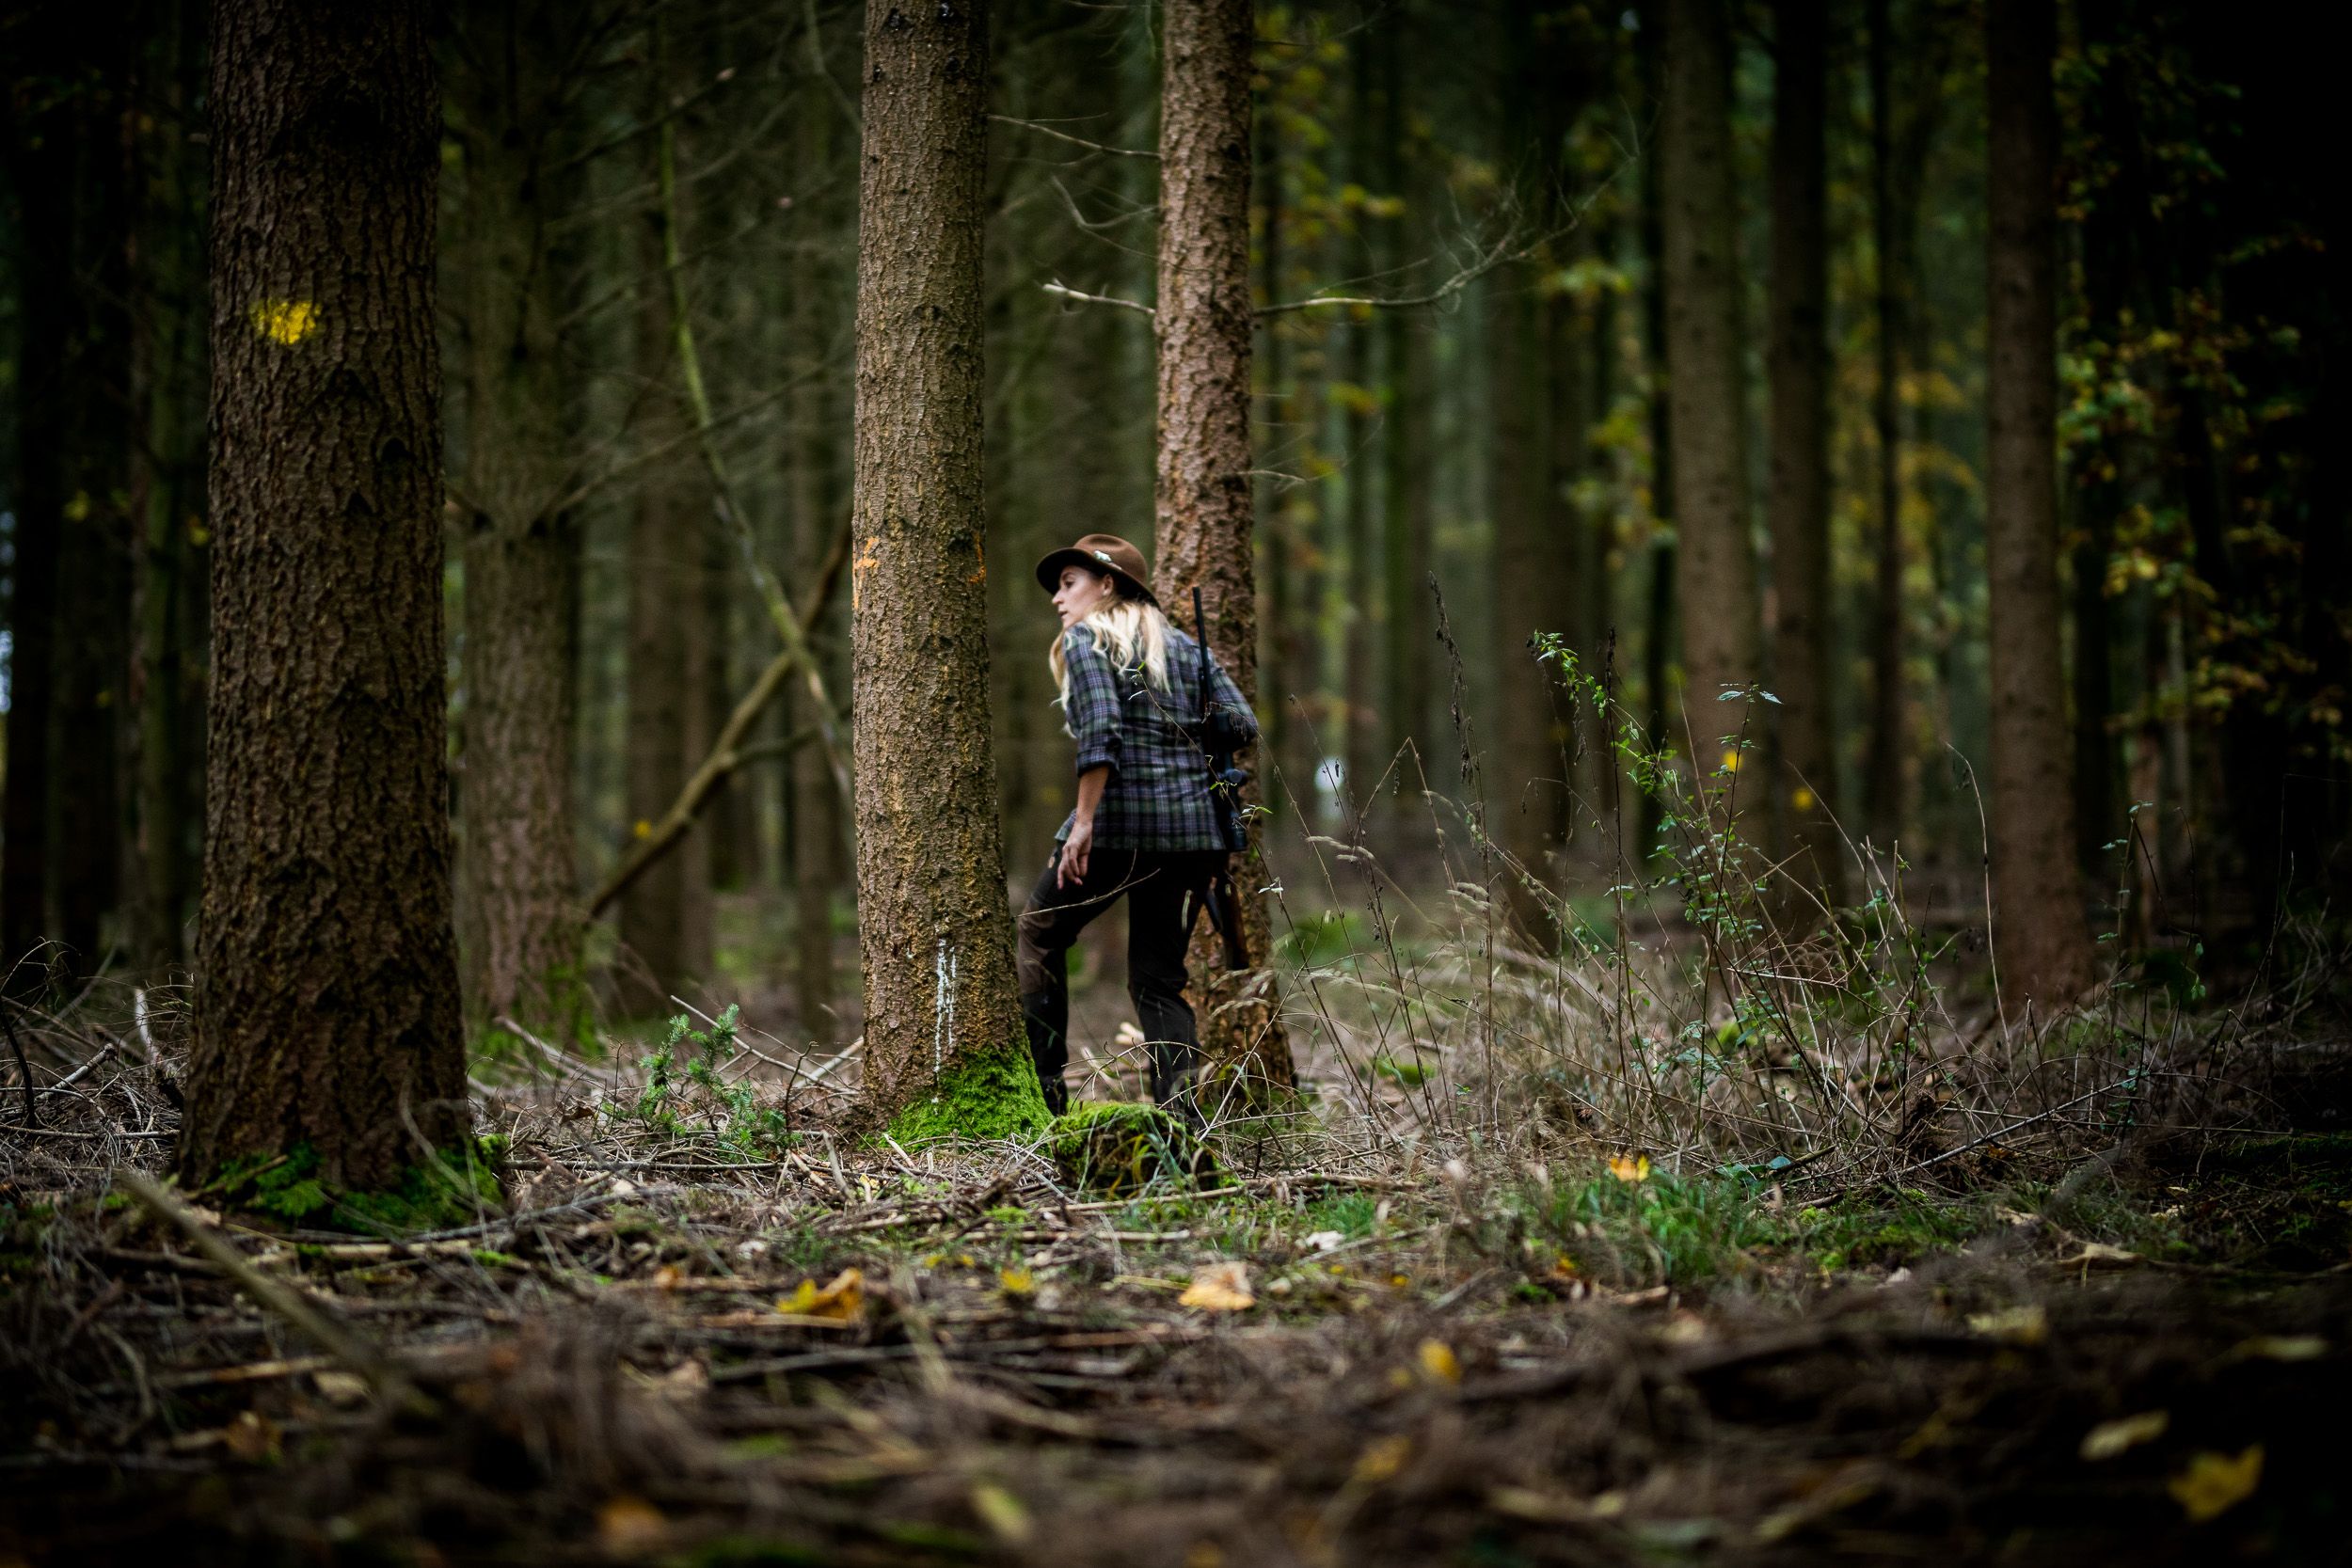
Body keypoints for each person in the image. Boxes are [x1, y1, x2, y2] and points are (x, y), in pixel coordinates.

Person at [1017, 532, 1258, 1118]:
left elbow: (1100, 734)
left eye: (1069, 583)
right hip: (1194, 839)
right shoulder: (1184, 650)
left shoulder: (1084, 639)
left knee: (1038, 935)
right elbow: (1242, 725)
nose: (1058, 598)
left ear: (1107, 585)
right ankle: (1183, 1128)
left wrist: (1084, 823)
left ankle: (1047, 1102)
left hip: (1120, 830)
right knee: (1157, 982)